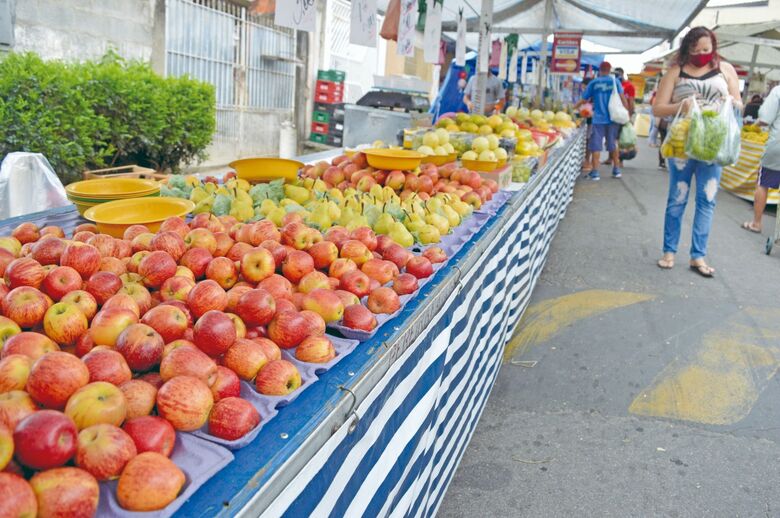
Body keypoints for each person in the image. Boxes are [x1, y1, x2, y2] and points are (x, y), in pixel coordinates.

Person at [653, 26, 742, 277]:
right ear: (686, 49)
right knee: (677, 198)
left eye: (706, 49)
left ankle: (698, 256)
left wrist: (733, 104)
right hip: (682, 144)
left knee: (707, 200)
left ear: (713, 47)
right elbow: (658, 109)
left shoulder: (726, 70)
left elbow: (739, 102)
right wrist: (680, 106)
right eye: (695, 50)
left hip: (713, 145)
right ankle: (669, 251)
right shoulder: (675, 72)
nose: (701, 54)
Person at [574, 61, 628, 180]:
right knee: (612, 143)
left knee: (596, 145)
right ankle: (616, 170)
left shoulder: (594, 82)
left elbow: (584, 99)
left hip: (598, 119)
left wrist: (574, 108)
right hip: (613, 118)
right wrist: (626, 113)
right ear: (609, 70)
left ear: (600, 70)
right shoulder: (615, 81)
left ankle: (595, 172)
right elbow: (623, 98)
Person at [742, 85, 780, 233]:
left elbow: (764, 119)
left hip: (777, 146)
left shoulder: (778, 91)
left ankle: (756, 223)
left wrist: (756, 124)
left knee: (763, 183)